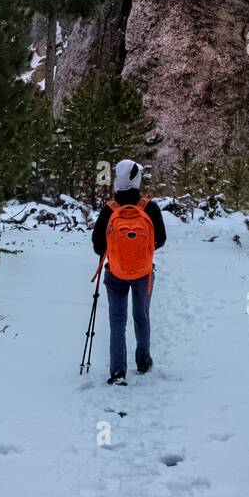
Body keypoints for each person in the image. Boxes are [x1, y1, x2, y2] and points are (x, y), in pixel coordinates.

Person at [91, 158, 166, 384]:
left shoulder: (109, 209)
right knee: (141, 316)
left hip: (115, 273)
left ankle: (117, 372)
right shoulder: (149, 207)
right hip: (143, 272)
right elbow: (161, 240)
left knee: (117, 321)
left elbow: (97, 246)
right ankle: (143, 361)